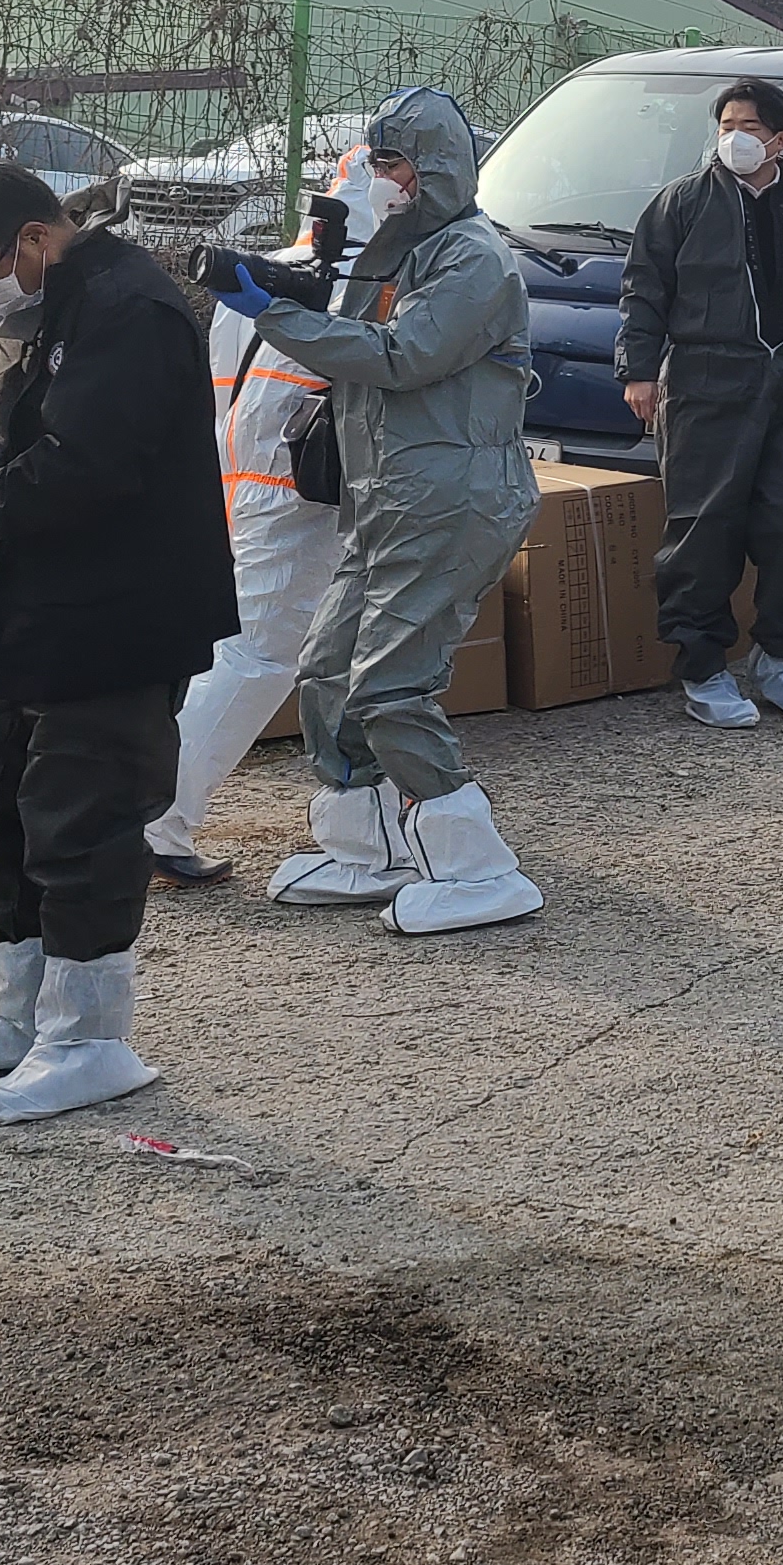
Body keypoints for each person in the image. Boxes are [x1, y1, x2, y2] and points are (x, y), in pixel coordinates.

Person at [0, 161, 237, 1122]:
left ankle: (91, 1037)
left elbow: (88, 464)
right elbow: (26, 445)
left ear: (36, 239)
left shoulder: (130, 308)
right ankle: (19, 1008)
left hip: (118, 606)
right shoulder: (43, 309)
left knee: (81, 813)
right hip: (27, 595)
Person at [253, 89, 549, 934]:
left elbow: (400, 356)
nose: (378, 180)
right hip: (388, 495)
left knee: (390, 686)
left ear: (436, 169)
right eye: (374, 163)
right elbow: (358, 343)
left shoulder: (473, 260)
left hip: (453, 496)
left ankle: (478, 868)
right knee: (329, 673)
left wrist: (270, 313)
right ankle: (364, 847)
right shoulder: (398, 255)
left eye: (393, 164)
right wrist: (291, 290)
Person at [618, 78, 783, 730]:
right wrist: (639, 371)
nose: (735, 137)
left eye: (750, 127)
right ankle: (702, 665)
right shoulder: (683, 204)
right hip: (704, 384)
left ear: (780, 139)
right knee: (704, 531)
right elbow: (644, 290)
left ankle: (781, 657)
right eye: (727, 123)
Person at [147, 191, 356, 887]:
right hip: (304, 493)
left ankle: (383, 810)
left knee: (276, 652)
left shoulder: (264, 270)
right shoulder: (357, 282)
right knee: (257, 659)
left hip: (243, 478)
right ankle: (154, 820)